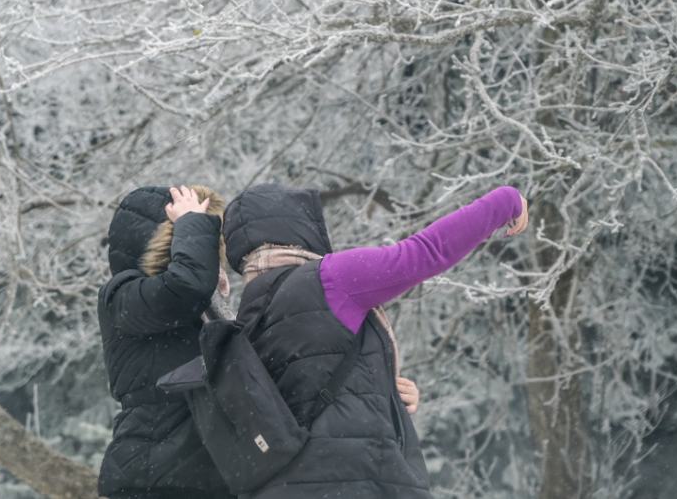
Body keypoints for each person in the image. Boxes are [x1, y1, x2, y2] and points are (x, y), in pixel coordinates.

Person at [220, 183, 528, 499]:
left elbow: (297, 398)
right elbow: (426, 252)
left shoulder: (244, 323)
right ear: (300, 226)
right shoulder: (329, 279)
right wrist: (504, 201)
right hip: (358, 481)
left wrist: (383, 390)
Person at [97, 185, 234, 499]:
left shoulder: (200, 303)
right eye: (187, 228)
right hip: (156, 476)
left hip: (201, 474)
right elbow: (185, 287)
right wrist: (193, 226)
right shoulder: (122, 295)